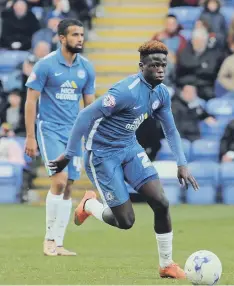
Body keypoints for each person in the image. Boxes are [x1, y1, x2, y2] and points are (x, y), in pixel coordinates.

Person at [48, 40, 199, 279]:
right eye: (154, 65)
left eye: (163, 65)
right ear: (142, 66)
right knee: (126, 221)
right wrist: (69, 154)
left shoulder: (161, 93)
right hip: (102, 155)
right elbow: (85, 115)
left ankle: (167, 264)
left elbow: (171, 130)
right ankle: (89, 205)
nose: (160, 69)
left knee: (161, 202)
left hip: (129, 148)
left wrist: (182, 163)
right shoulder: (124, 92)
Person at [24, 18, 96, 256]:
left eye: (82, 35)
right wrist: (30, 137)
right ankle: (48, 240)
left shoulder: (86, 68)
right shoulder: (45, 65)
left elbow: (89, 106)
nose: (80, 39)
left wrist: (91, 137)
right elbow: (31, 101)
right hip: (50, 130)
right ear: (62, 38)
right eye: (75, 35)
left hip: (73, 134)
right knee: (59, 180)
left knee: (69, 187)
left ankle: (59, 243)